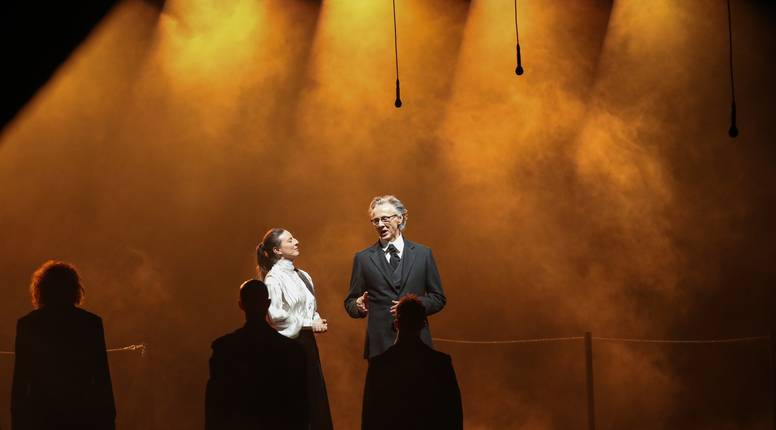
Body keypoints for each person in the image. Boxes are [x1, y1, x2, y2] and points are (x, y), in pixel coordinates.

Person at [11, 260, 116, 430]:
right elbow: (101, 377)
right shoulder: (90, 323)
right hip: (82, 415)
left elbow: (21, 381)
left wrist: (17, 421)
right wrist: (108, 419)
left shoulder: (28, 324)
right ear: (74, 289)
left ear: (40, 289)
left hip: (41, 416)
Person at [345, 194, 447, 359]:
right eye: (375, 221)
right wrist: (358, 305)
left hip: (418, 343)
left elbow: (438, 298)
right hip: (380, 348)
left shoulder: (423, 254)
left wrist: (412, 306)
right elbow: (350, 302)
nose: (380, 224)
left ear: (400, 218)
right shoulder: (363, 258)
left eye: (384, 219)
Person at [205, 279, 309, 430]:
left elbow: (215, 406)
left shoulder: (224, 349)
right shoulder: (292, 351)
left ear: (241, 305)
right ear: (268, 304)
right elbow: (301, 408)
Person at [257, 228, 334, 430]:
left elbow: (310, 308)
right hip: (288, 346)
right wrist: (309, 323)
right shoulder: (273, 279)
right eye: (290, 240)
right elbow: (274, 315)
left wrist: (316, 319)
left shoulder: (303, 275)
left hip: (308, 344)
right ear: (277, 250)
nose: (296, 242)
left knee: (314, 397)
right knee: (297, 400)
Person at [361, 295, 463, 430]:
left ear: (396, 323)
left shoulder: (379, 365)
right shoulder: (440, 364)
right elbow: (454, 414)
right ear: (423, 324)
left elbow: (369, 417)